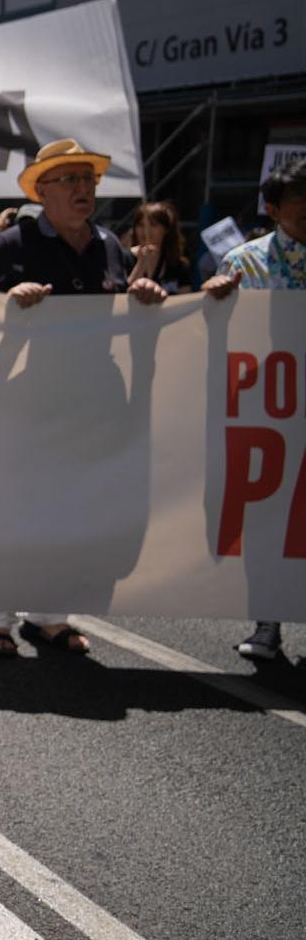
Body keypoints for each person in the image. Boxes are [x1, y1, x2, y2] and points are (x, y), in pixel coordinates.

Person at [0, 139, 168, 658]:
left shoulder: (108, 244)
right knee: (15, 510)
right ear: (43, 190)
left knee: (69, 512)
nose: (85, 190)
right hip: (27, 398)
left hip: (93, 401)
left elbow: (120, 308)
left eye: (89, 180)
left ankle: (49, 615)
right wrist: (9, 303)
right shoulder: (14, 244)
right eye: (71, 180)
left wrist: (143, 293)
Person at [201, 157, 306, 661]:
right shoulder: (245, 263)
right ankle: (268, 623)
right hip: (269, 412)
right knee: (268, 518)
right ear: (273, 208)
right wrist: (214, 300)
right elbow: (214, 333)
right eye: (299, 198)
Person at [126, 200, 195, 294]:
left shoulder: (178, 265)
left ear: (166, 229)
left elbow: (185, 300)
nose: (146, 230)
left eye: (153, 225)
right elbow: (122, 296)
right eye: (141, 225)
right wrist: (141, 264)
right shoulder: (123, 258)